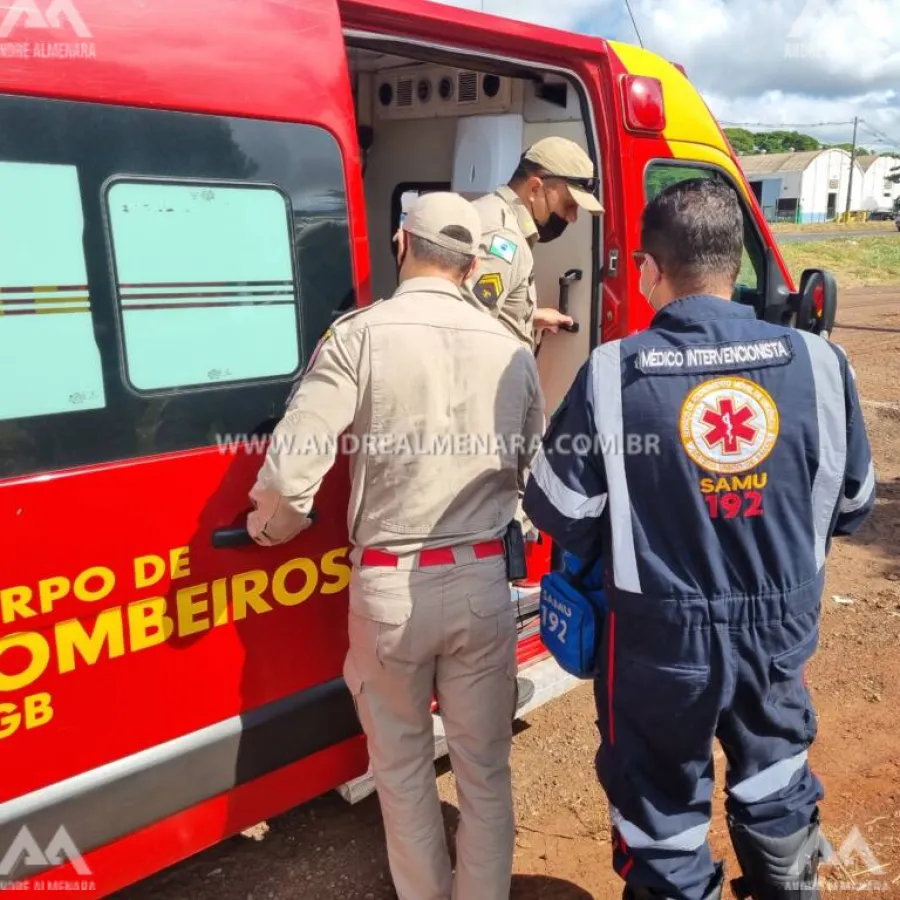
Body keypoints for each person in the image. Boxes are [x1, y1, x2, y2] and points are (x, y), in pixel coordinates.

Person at [522, 177, 875, 900]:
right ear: (736, 261)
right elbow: (853, 504)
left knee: (660, 816)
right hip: (780, 631)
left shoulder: (615, 373)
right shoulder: (822, 364)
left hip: (656, 642)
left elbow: (559, 509)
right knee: (781, 787)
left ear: (651, 273)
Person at [247, 191, 545, 900]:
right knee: (484, 774)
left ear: (399, 245)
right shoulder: (512, 348)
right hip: (481, 586)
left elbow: (291, 479)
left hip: (388, 590)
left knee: (404, 772)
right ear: (474, 266)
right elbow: (531, 471)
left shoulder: (359, 337)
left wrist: (266, 531)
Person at [465, 136, 603, 351]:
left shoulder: (492, 213)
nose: (573, 217)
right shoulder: (503, 239)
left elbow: (487, 309)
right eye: (569, 205)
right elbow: (468, 327)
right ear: (534, 189)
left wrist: (530, 317)